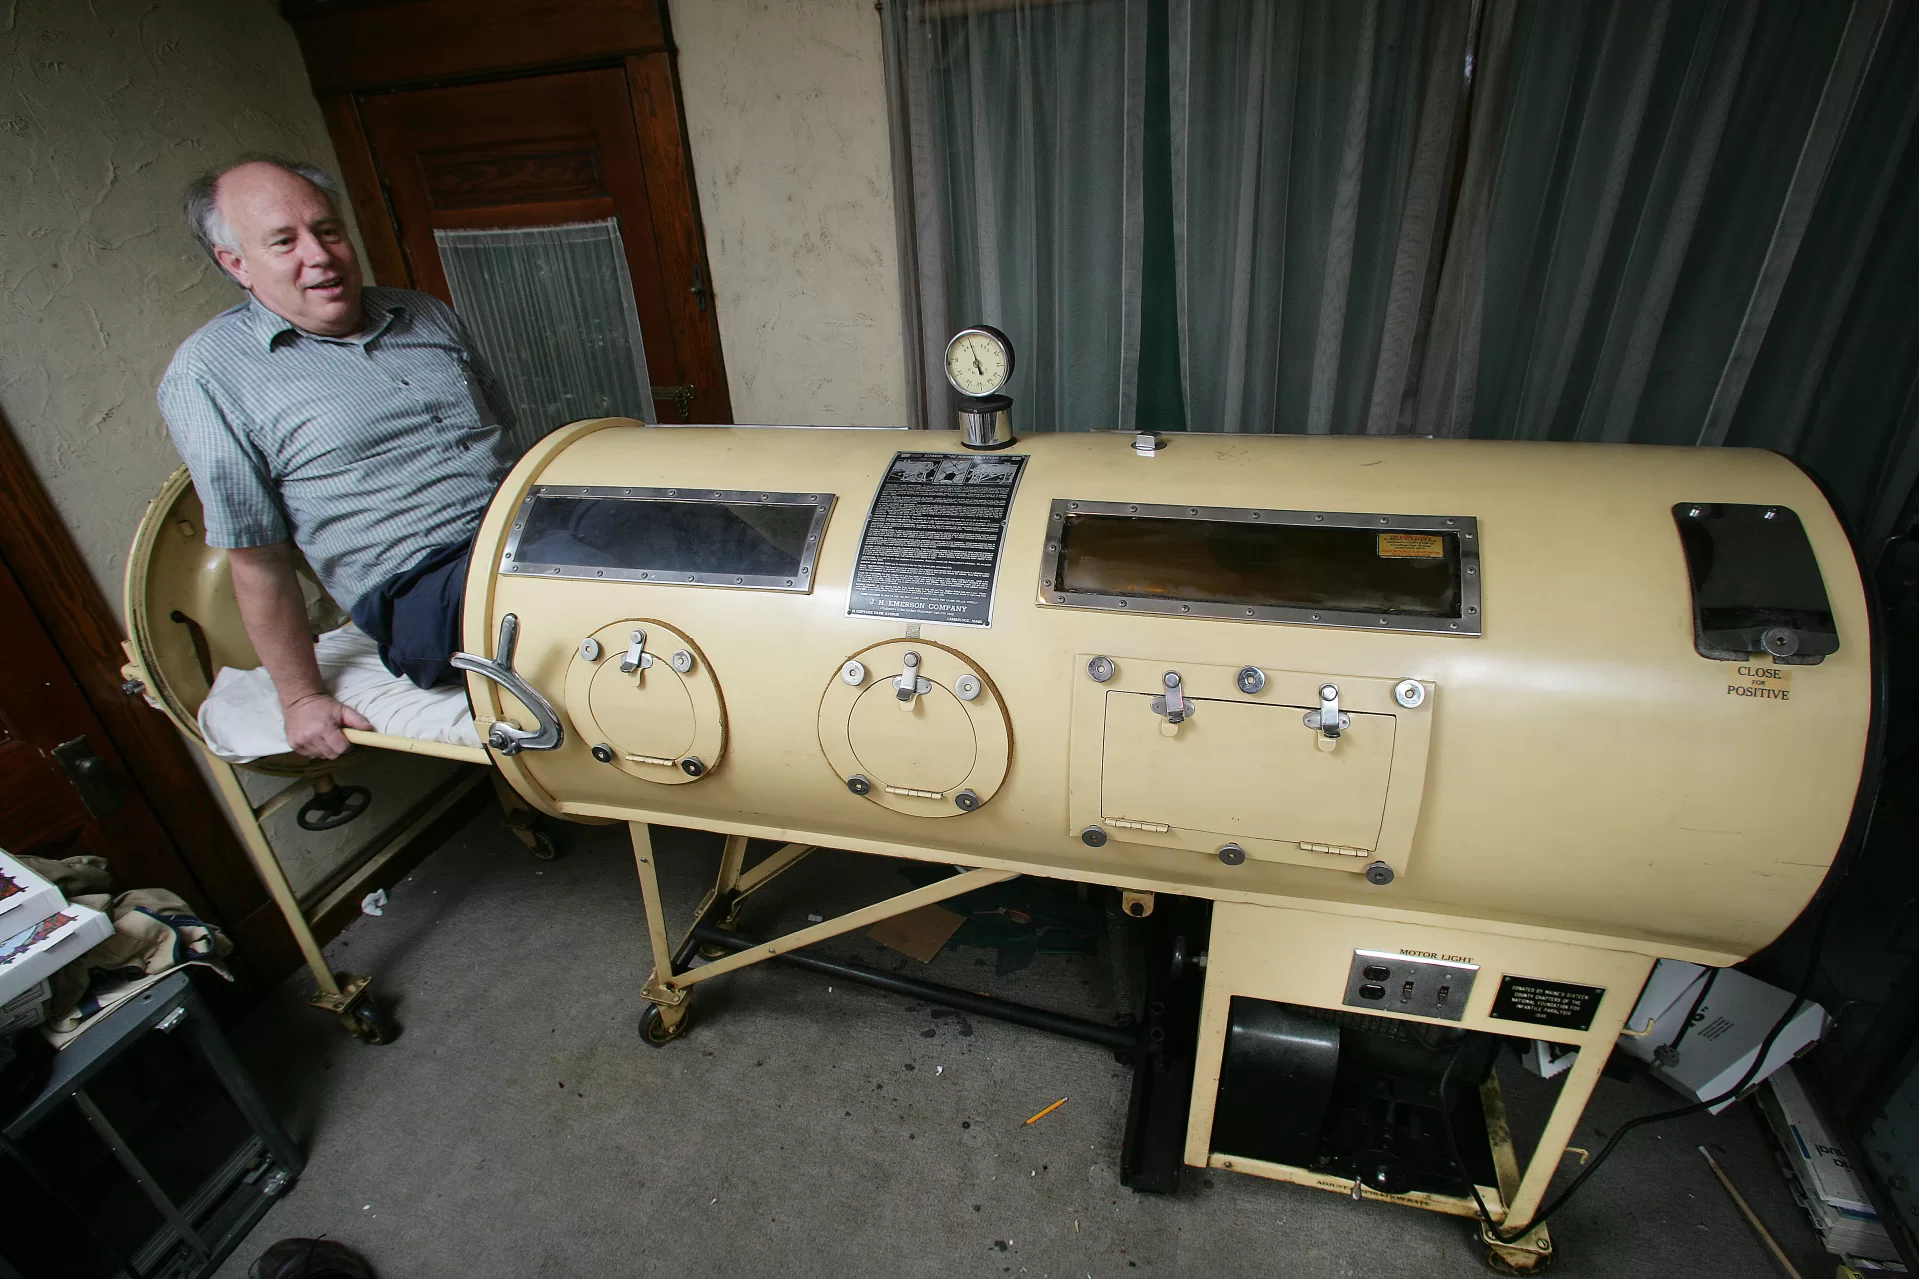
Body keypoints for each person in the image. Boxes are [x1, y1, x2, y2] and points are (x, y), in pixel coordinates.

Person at [158, 156, 517, 760]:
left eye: (327, 231)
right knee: (608, 587)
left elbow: (506, 437)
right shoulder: (210, 373)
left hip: (525, 532)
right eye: (283, 242)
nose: (319, 255)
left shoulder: (421, 312)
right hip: (418, 591)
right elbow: (258, 559)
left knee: (697, 533)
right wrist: (300, 698)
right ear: (236, 263)